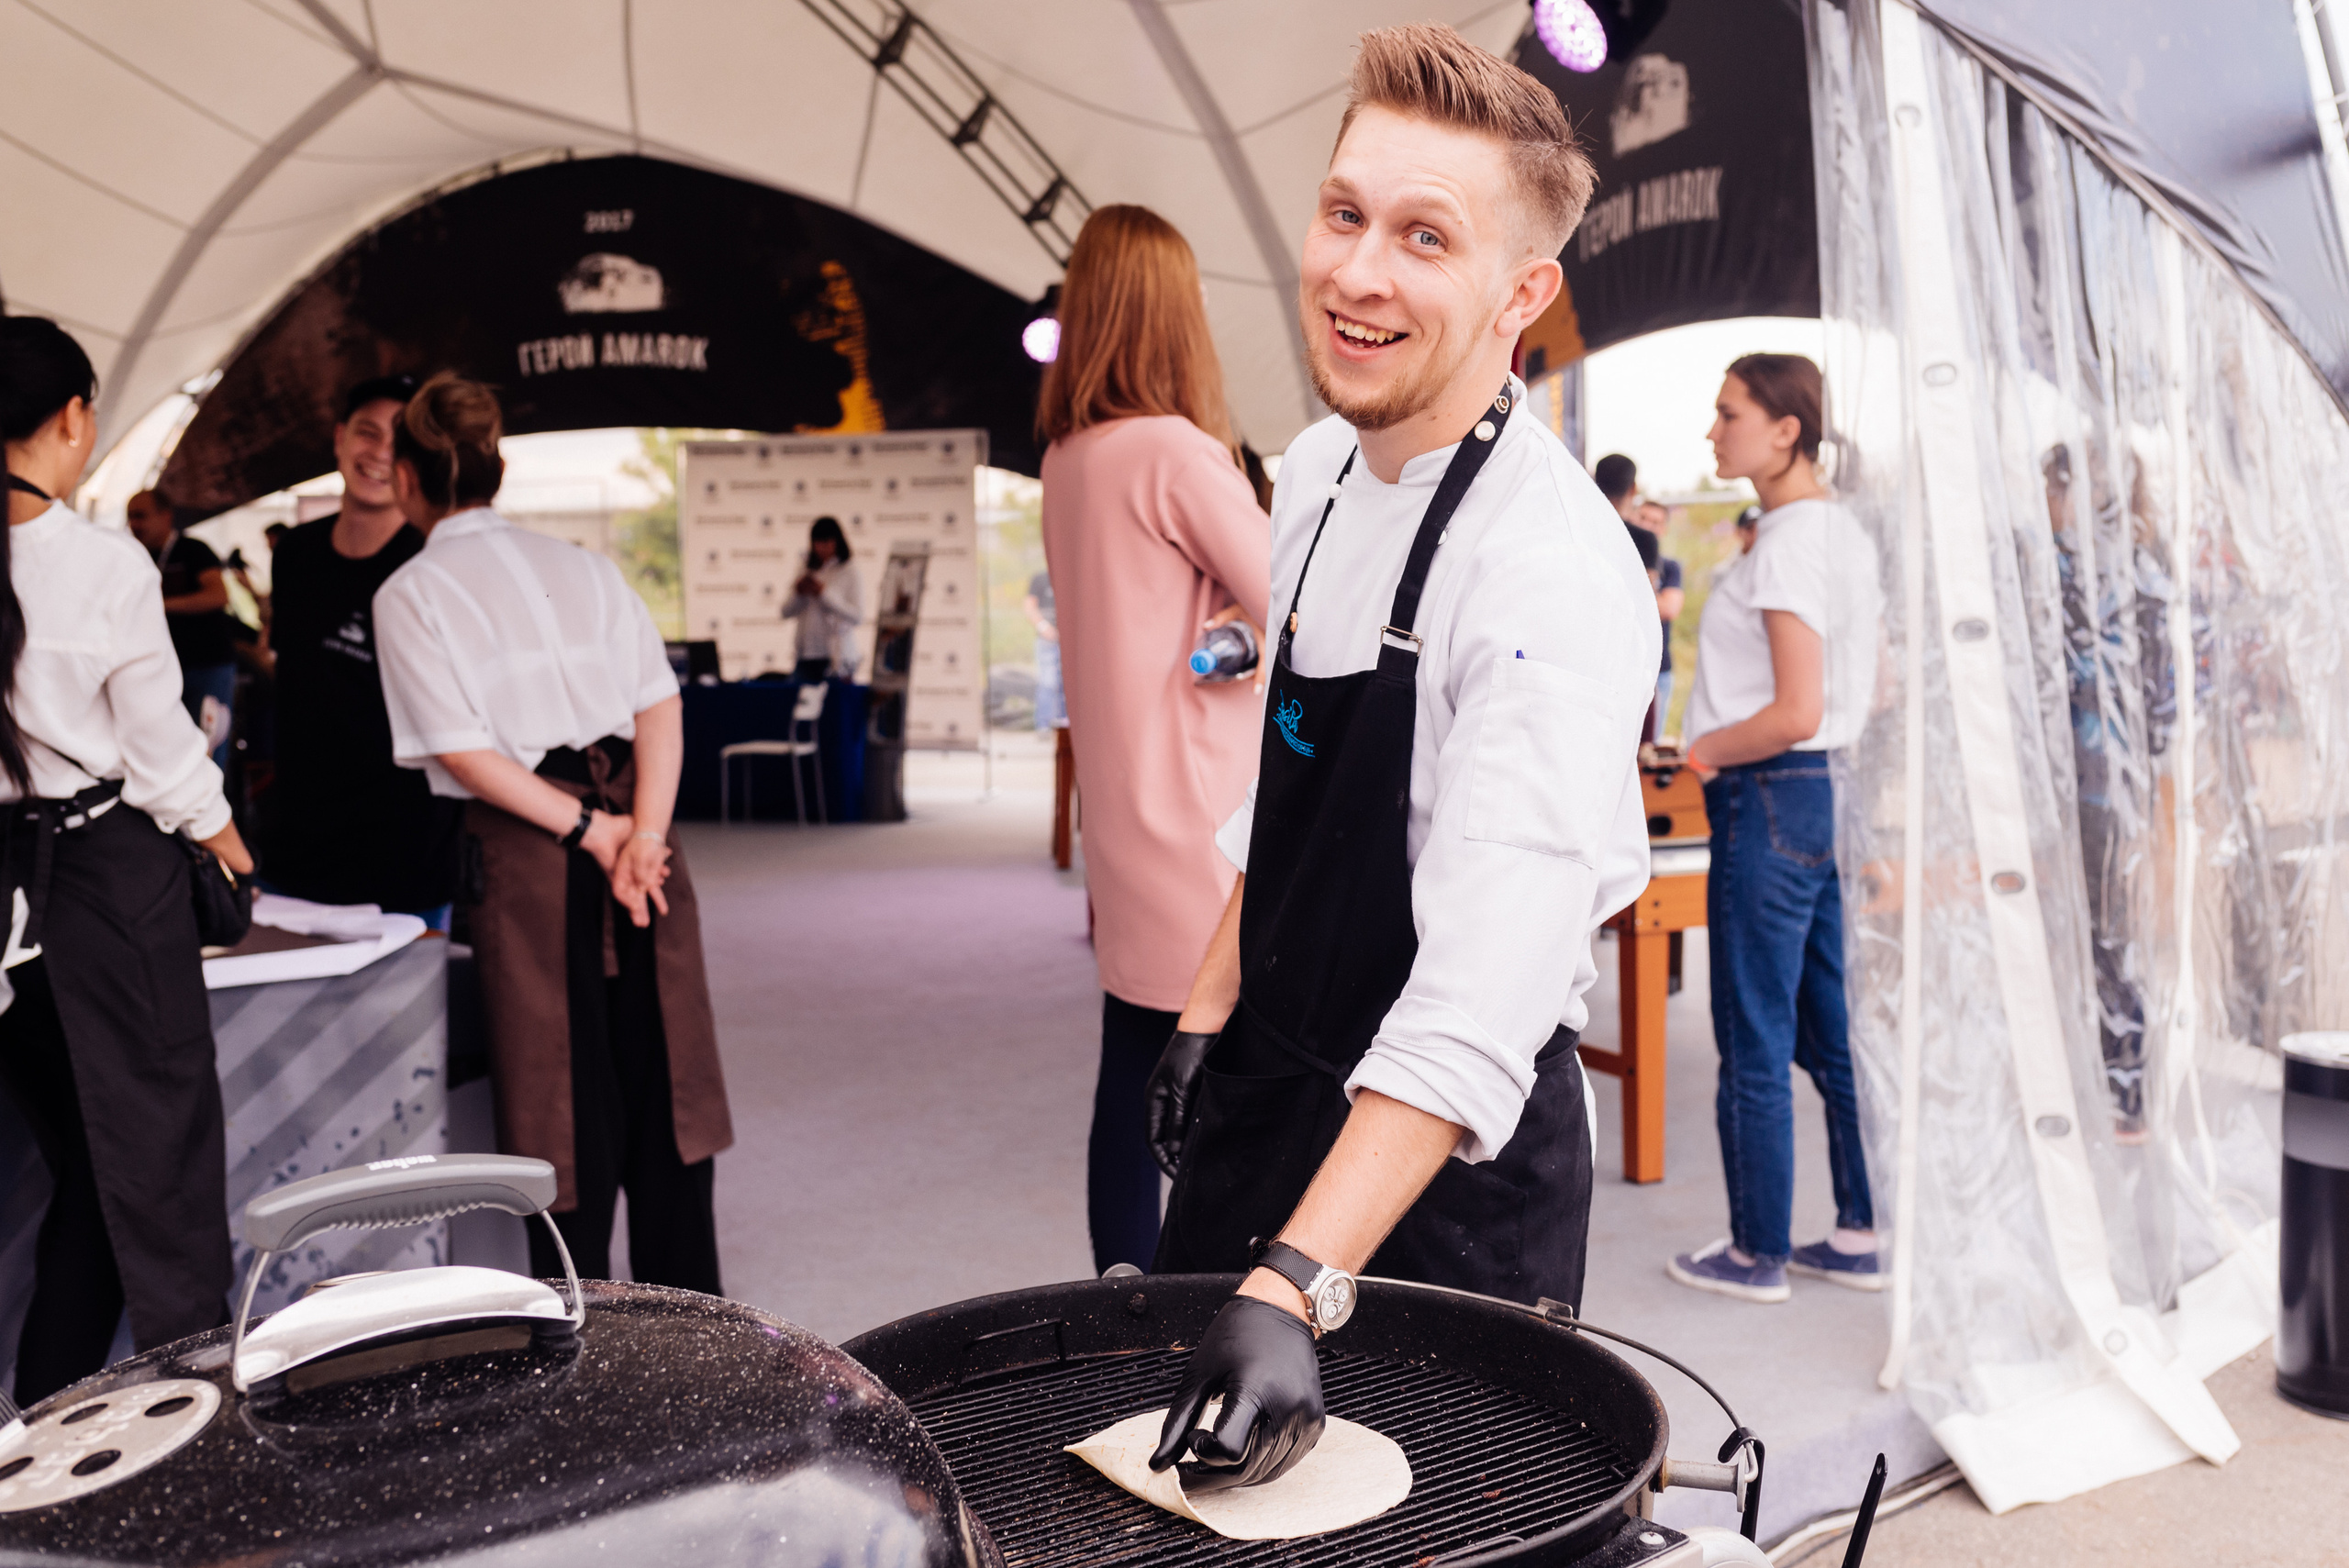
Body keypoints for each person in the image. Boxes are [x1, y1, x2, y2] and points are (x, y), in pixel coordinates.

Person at [1141, 26, 1654, 1491]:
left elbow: (1481, 996)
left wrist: (1298, 1278)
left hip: (1449, 1166)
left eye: (1426, 237)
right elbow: (1284, 795)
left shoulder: (1550, 572)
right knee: (1185, 1495)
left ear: (1521, 293)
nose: (1358, 273)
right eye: (1346, 213)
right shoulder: (1308, 474)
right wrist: (1207, 1005)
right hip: (1276, 1071)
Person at [373, 373, 732, 1293]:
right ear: (497, 469)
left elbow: (461, 752)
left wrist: (593, 832)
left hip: (538, 848)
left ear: (410, 476)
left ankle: (585, 1327)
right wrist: (639, 834)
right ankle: (693, 1323)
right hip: (637, 842)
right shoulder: (586, 564)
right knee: (666, 1086)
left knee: (558, 1103)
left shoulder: (409, 590)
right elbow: (659, 703)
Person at [0, 317, 254, 1404]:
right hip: (107, 885)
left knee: (83, 1169)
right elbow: (164, 760)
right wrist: (231, 849)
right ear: (71, 417)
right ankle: (180, 1424)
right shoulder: (103, 561)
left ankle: (38, 1417)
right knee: (155, 1172)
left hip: (4, 898)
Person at [1038, 203, 1271, 1275]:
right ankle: (1227, 1318)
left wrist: (1219, 630)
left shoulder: (1069, 458)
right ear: (1173, 313)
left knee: (1128, 1075)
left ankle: (1120, 1311)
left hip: (1123, 815)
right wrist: (1237, 637)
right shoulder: (1175, 452)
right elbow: (1303, 606)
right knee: (1255, 1090)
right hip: (1205, 818)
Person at [1670, 353, 1883, 1303]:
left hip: (1768, 786)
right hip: (1823, 792)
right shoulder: (1837, 533)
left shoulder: (1792, 540)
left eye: (1728, 413)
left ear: (1784, 428)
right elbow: (1845, 696)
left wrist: (1704, 748)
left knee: (1753, 1028)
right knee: (1830, 1023)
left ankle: (1758, 1249)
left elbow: (1795, 706)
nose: (1713, 432)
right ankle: (1861, 1227)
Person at [258, 375, 462, 921]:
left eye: (401, 441)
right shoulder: (295, 553)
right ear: (339, 439)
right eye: (367, 434)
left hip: (405, 856)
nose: (381, 454)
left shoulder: (435, 563)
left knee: (407, 1009)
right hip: (297, 849)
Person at [125, 488, 239, 770]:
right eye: (129, 517)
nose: (134, 525)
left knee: (207, 748)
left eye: (140, 516)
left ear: (166, 517)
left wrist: (162, 605)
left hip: (206, 666)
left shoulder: (193, 550)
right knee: (166, 751)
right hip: (160, 669)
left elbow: (218, 595)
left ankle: (214, 810)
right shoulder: (134, 556)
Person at [780, 515, 862, 682]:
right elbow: (785, 612)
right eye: (818, 542)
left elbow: (857, 616)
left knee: (832, 707)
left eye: (827, 542)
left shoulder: (850, 571)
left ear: (837, 541)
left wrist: (823, 594)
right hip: (805, 655)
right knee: (801, 707)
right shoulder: (805, 569)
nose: (822, 548)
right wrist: (799, 593)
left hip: (835, 657)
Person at [1642, 498, 1684, 741]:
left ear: (1664, 529)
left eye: (1656, 522)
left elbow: (1670, 608)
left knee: (1650, 744)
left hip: (1660, 669)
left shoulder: (1670, 567)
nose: (1648, 526)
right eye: (1643, 518)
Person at [1024, 568, 1063, 731]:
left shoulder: (1072, 575)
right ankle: (1044, 725)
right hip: (1047, 640)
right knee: (1047, 682)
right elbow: (1029, 606)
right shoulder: (1040, 578)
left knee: (1067, 684)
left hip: (1067, 639)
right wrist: (1044, 627)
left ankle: (1065, 725)